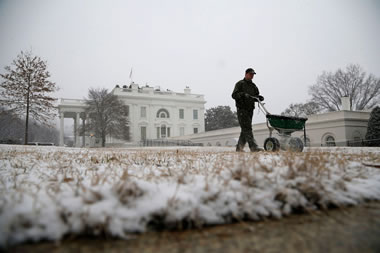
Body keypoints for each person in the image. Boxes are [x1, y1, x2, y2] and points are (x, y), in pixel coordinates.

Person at [231, 68, 264, 152]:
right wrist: (242, 95)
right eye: (250, 74)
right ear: (246, 74)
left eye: (253, 74)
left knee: (245, 129)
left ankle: (239, 148)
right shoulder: (240, 84)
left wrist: (259, 98)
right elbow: (234, 95)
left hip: (250, 109)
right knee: (247, 128)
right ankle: (253, 147)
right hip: (242, 109)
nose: (252, 76)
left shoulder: (253, 86)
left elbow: (256, 96)